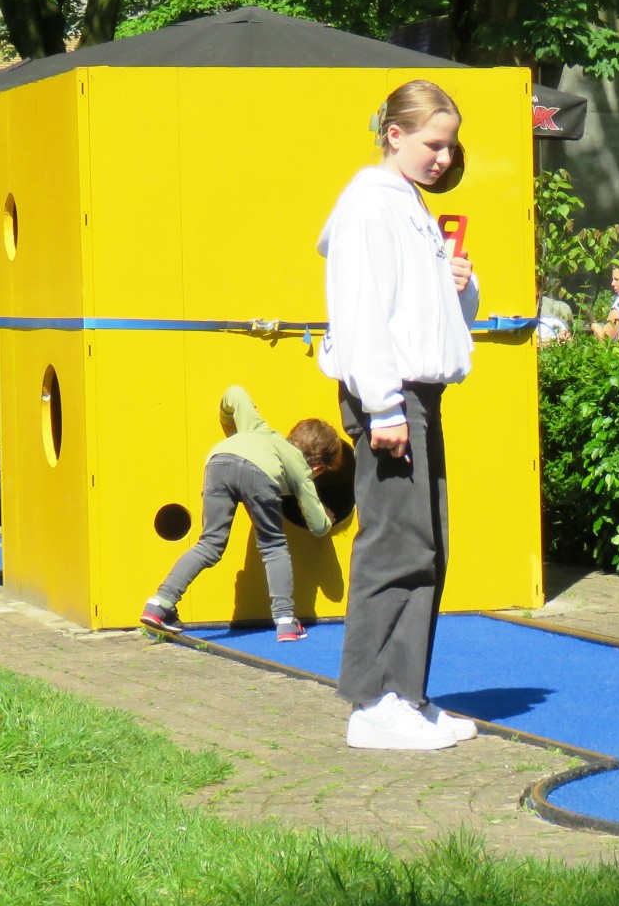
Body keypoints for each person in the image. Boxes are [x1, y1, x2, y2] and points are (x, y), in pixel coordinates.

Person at [318, 79, 482, 751]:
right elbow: (358, 313)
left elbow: (425, 317)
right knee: (395, 545)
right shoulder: (369, 206)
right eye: (432, 143)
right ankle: (375, 702)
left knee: (425, 544)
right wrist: (383, 406)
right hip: (392, 397)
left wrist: (458, 289)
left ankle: (405, 693)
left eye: (449, 145)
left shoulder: (406, 205)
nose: (443, 157)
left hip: (417, 394)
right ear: (395, 135)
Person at [141, 387, 341, 641]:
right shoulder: (302, 469)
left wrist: (231, 431)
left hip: (219, 459)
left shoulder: (258, 428)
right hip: (260, 474)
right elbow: (318, 526)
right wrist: (327, 516)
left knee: (210, 544)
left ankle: (159, 603)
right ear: (318, 466)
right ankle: (286, 621)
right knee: (273, 546)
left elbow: (234, 393)